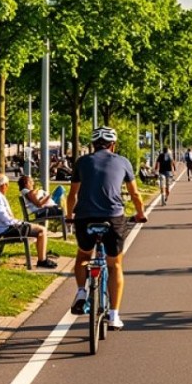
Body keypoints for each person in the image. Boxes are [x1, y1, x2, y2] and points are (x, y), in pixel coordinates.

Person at [65, 126, 148, 330]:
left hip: (85, 218)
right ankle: (113, 316)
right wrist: (140, 214)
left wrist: (69, 217)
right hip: (113, 218)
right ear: (113, 144)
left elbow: (72, 195)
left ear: (93, 145)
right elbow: (135, 195)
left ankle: (81, 292)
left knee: (84, 256)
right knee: (115, 265)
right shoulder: (122, 162)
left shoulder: (82, 162)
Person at [0, 173, 58, 269]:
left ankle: (43, 258)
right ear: (3, 185)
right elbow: (5, 218)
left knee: (39, 230)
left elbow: (4, 217)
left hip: (3, 228)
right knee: (42, 230)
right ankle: (42, 260)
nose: (7, 188)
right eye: (7, 185)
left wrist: (19, 222)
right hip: (6, 230)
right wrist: (20, 223)